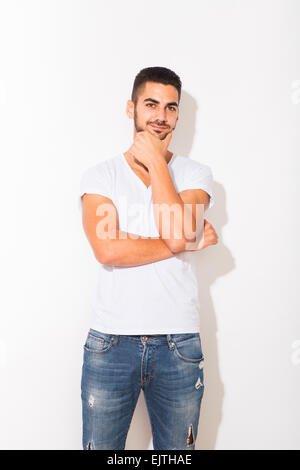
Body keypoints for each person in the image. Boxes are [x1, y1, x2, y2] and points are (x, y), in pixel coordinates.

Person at [78, 66, 218, 450]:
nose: (161, 116)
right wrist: (184, 241)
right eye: (151, 104)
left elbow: (174, 232)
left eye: (171, 108)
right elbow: (107, 249)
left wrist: (157, 161)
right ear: (131, 108)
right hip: (110, 345)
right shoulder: (101, 176)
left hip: (179, 344)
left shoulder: (195, 174)